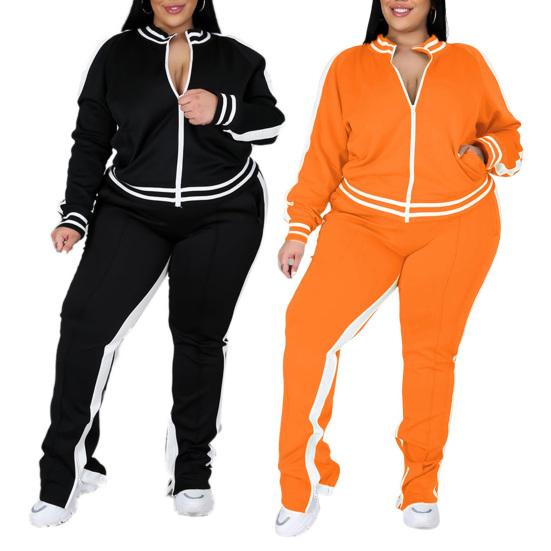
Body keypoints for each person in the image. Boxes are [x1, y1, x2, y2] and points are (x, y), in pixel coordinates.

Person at [31, 0, 284, 527]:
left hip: (224, 211)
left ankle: (191, 468)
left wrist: (223, 109)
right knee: (85, 326)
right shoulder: (116, 54)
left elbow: (270, 125)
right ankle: (64, 473)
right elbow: (91, 138)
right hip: (131, 208)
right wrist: (76, 213)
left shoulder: (236, 56)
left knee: (198, 337)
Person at [275, 0, 522, 536]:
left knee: (429, 352)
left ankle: (421, 483)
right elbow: (324, 155)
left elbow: (509, 135)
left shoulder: (467, 61)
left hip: (456, 223)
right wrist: (300, 228)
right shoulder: (349, 65)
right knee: (308, 331)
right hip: (362, 221)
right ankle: (302, 478)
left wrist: (484, 153)